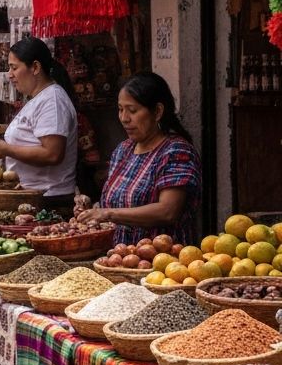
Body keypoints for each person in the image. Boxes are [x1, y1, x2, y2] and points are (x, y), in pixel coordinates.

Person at [77, 72, 202, 244]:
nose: (124, 118)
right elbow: (116, 204)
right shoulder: (123, 150)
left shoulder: (176, 152)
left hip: (163, 260)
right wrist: (92, 210)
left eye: (132, 110)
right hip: (120, 256)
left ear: (157, 111)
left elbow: (168, 211)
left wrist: (108, 214)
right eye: (120, 109)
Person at [0, 37, 77, 205]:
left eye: (14, 68)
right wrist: (1, 145)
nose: (10, 75)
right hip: (33, 195)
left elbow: (52, 154)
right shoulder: (40, 98)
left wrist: (6, 149)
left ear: (35, 67)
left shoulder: (52, 100)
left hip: (49, 198)